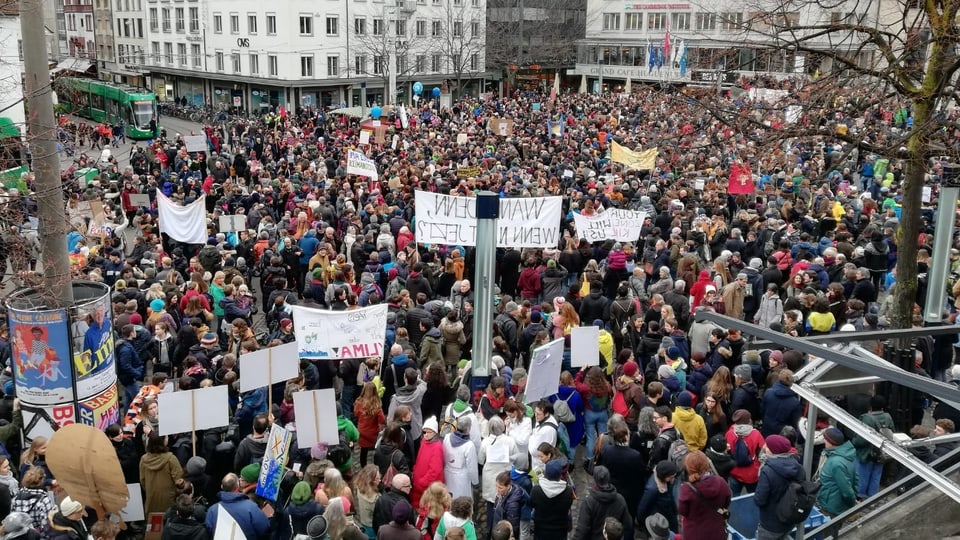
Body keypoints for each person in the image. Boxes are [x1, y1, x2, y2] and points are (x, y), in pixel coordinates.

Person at [754, 435, 806, 540]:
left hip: (770, 523)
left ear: (773, 451)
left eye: (767, 446)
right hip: (790, 517)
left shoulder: (768, 471)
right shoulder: (798, 467)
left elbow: (760, 499)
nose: (764, 447)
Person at [678, 451, 731, 540]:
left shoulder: (687, 489)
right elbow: (726, 502)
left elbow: (682, 511)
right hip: (717, 532)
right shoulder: (721, 482)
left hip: (694, 533)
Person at [572, 465, 634, 540]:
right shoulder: (620, 499)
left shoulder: (589, 502)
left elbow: (582, 530)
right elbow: (628, 526)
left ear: (595, 480)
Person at [852, 395, 896, 499]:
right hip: (881, 452)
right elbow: (892, 432)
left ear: (870, 406)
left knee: (862, 475)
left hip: (866, 453)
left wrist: (853, 441)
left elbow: (860, 440)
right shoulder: (888, 416)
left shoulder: (867, 418)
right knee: (876, 474)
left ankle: (860, 495)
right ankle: (872, 495)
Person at [205, 473, 270, 540]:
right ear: (238, 486)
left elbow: (209, 531)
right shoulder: (251, 507)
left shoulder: (212, 510)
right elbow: (264, 528)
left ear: (222, 486)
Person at [817, 427, 859, 518]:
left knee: (829, 530)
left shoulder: (836, 463)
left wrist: (852, 504)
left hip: (832, 505)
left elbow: (846, 490)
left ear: (831, 442)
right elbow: (855, 478)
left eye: (825, 439)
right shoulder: (847, 455)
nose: (824, 441)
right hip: (835, 502)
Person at [527, 461, 573, 540]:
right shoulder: (568, 491)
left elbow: (530, 504)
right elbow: (568, 505)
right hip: (560, 530)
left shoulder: (536, 490)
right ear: (559, 474)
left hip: (541, 528)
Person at [140, 434, 184, 515]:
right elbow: (178, 480)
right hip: (168, 499)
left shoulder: (143, 459)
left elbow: (142, 480)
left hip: (151, 498)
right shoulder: (171, 459)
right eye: (166, 437)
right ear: (163, 442)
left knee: (153, 524)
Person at [725, 409, 765, 495]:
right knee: (752, 498)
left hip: (734, 471)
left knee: (735, 497)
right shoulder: (756, 434)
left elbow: (727, 452)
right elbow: (763, 453)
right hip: (751, 474)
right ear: (748, 420)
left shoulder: (730, 433)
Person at [411, 417, 445, 512]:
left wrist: (422, 481)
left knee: (429, 509)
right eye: (424, 432)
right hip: (420, 484)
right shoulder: (424, 442)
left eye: (428, 432)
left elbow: (435, 470)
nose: (425, 434)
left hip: (427, 486)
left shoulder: (437, 447)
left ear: (434, 432)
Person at [442, 416, 479, 502]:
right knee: (462, 502)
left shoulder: (447, 437)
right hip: (462, 477)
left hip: (447, 473)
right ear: (468, 428)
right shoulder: (469, 445)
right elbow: (472, 467)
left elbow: (443, 455)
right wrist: (475, 482)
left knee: (449, 498)